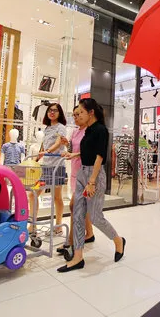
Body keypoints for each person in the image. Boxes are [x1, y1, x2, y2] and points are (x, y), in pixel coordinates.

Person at [58, 98, 125, 273]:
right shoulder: (87, 131)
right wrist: (75, 155)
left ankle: (118, 240)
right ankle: (78, 257)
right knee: (78, 214)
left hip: (94, 175)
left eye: (80, 112)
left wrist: (92, 181)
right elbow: (88, 150)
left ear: (91, 112)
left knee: (95, 217)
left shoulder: (101, 130)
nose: (78, 115)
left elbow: (99, 156)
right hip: (82, 173)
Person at [57, 105, 95, 257]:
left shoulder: (91, 131)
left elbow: (91, 152)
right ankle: (90, 234)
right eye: (74, 114)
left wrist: (76, 154)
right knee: (81, 206)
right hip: (74, 172)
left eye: (79, 113)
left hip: (85, 173)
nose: (76, 117)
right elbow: (73, 149)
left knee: (74, 206)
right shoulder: (75, 131)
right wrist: (66, 143)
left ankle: (71, 241)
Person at [32, 103, 67, 235]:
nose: (52, 112)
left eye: (55, 111)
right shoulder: (47, 128)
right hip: (45, 167)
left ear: (60, 113)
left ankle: (58, 226)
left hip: (57, 166)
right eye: (50, 110)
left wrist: (46, 151)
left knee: (57, 197)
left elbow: (59, 143)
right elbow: (43, 145)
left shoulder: (61, 127)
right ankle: (33, 225)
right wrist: (35, 160)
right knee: (33, 193)